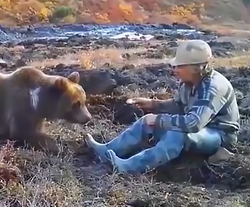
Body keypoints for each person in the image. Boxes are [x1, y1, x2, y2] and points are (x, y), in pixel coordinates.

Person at [85, 39, 240, 174]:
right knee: (147, 121)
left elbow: (194, 123)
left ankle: (128, 167)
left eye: (179, 66)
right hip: (200, 130)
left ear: (196, 67)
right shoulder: (189, 83)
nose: (174, 70)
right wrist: (153, 104)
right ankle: (107, 151)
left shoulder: (213, 88)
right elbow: (178, 105)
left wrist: (158, 120)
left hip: (219, 136)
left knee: (177, 133)